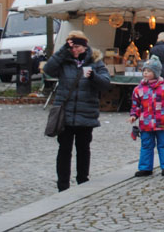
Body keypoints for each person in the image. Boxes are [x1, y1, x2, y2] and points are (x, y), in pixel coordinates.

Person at [43, 30, 112, 192]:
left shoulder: (95, 61)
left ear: (85, 46)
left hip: (86, 113)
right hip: (65, 115)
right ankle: (63, 185)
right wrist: (62, 52)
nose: (74, 50)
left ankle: (83, 181)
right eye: (71, 47)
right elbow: (48, 70)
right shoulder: (63, 61)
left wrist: (93, 76)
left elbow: (106, 83)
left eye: (77, 47)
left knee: (83, 149)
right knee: (64, 150)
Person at [129, 55, 164, 176]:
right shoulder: (138, 90)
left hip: (162, 122)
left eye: (149, 71)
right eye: (144, 71)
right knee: (146, 145)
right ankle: (145, 167)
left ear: (156, 73)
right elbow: (135, 105)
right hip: (146, 123)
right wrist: (133, 115)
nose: (145, 73)